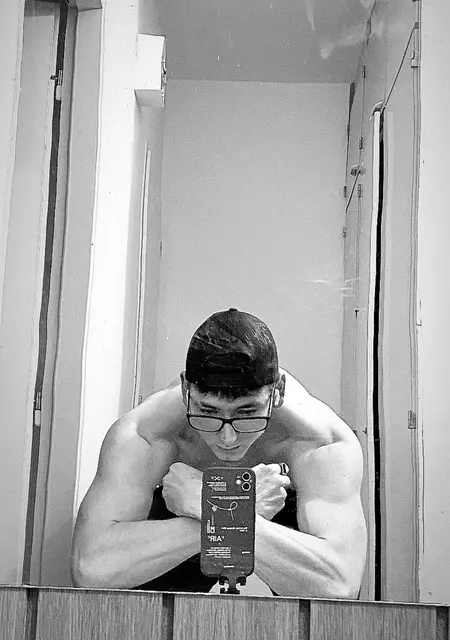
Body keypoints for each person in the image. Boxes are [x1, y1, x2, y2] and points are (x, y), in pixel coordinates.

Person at [71, 308, 367, 597]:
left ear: (277, 391)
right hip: (182, 513)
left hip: (271, 512)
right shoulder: (146, 434)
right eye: (208, 412)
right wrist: (230, 512)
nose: (228, 437)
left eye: (247, 413)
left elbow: (339, 585)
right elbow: (90, 569)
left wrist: (207, 507)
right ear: (186, 391)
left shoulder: (319, 441)